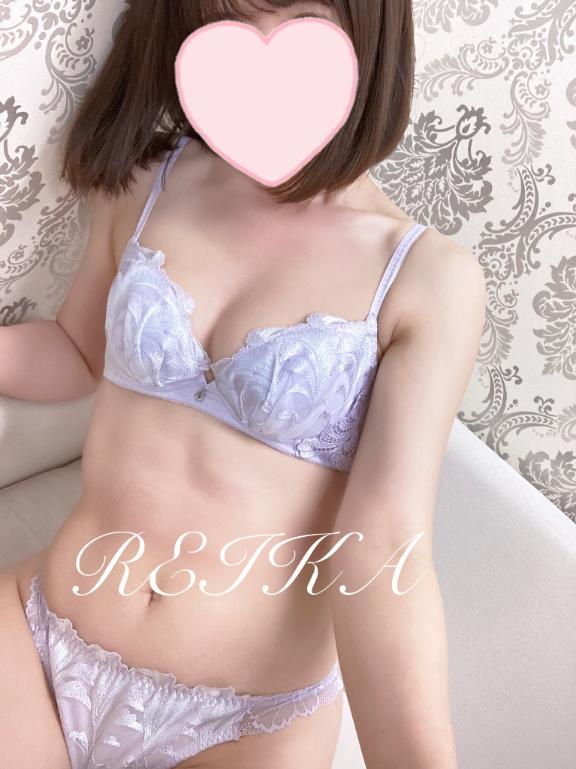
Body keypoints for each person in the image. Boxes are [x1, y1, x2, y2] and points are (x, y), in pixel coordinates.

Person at [0, 1, 486, 768]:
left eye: (293, 17)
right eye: (223, 17)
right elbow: (73, 350)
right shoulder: (148, 180)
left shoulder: (425, 279)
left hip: (245, 721)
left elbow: (382, 546)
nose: (257, 48)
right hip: (41, 637)